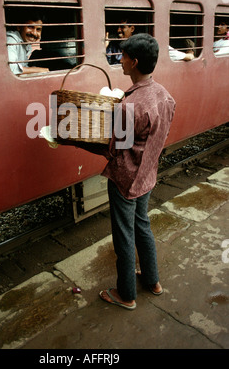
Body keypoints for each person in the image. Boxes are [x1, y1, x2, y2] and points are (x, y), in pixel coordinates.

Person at [92, 34, 175, 310]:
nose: (121, 60)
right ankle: (152, 281)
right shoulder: (165, 96)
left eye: (124, 56)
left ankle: (126, 294)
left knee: (124, 235)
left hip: (126, 179)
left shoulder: (130, 105)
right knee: (142, 226)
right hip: (148, 175)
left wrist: (78, 140)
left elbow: (114, 148)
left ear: (135, 62)